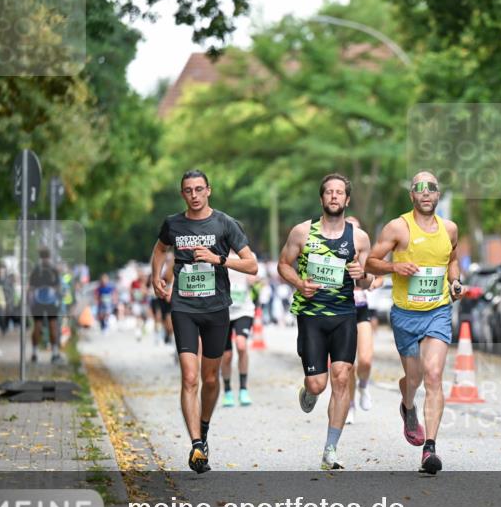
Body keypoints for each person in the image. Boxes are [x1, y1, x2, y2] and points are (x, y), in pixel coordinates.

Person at [150, 169, 257, 474]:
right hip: (184, 307)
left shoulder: (224, 223)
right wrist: (155, 276)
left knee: (210, 380)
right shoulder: (173, 223)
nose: (194, 195)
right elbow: (159, 249)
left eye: (199, 189)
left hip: (216, 309)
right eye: (188, 190)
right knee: (190, 377)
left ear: (209, 190)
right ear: (182, 193)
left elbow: (252, 265)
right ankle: (197, 444)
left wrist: (218, 259)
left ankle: (204, 427)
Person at [366, 171, 465, 474]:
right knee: (415, 379)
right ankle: (407, 405)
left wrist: (456, 282)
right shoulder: (398, 227)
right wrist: (395, 266)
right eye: (419, 189)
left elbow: (452, 260)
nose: (425, 193)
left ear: (438, 195)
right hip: (406, 315)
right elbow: (371, 261)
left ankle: (430, 450)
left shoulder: (449, 229)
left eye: (431, 188)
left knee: (434, 375)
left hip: (437, 311)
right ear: (412, 196)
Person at [278, 173, 373, 470]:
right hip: (311, 316)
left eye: (339, 192)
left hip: (344, 315)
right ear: (322, 199)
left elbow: (367, 280)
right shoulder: (302, 233)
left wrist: (363, 277)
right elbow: (283, 265)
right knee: (318, 385)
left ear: (346, 200)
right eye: (329, 192)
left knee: (342, 377)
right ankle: (309, 390)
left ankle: (330, 449)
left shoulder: (359, 238)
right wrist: (299, 283)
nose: (334, 196)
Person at [344, 216, 383, 425]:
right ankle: (349, 405)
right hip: (341, 310)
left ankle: (364, 386)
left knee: (366, 359)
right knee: (347, 365)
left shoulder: (365, 252)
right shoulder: (335, 251)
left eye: (356, 229)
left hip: (361, 309)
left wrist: (372, 283)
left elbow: (380, 275)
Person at [220, 251, 257, 407]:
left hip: (244, 309)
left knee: (241, 346)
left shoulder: (249, 255)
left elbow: (254, 278)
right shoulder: (218, 254)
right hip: (223, 311)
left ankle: (243, 389)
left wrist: (251, 277)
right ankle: (227, 390)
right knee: (226, 355)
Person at [30, 248, 62, 363]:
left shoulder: (36, 270)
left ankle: (34, 353)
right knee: (53, 326)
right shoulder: (54, 270)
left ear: (40, 257)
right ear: (49, 256)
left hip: (38, 300)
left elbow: (31, 288)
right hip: (51, 300)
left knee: (37, 326)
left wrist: (31, 301)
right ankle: (54, 354)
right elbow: (58, 287)